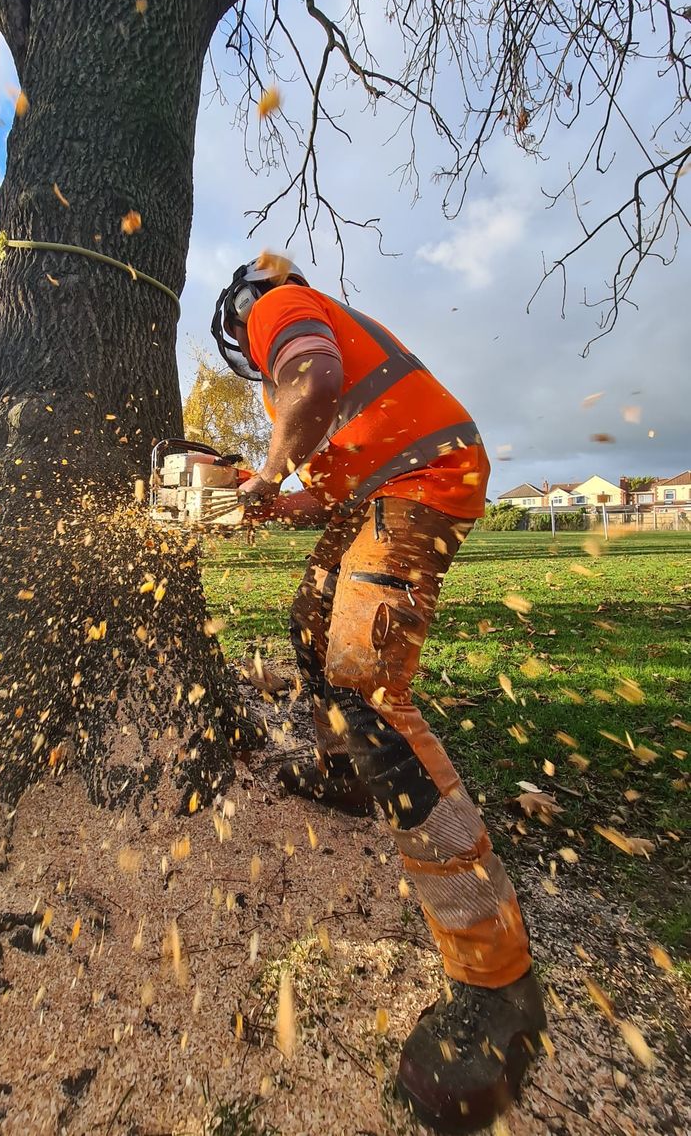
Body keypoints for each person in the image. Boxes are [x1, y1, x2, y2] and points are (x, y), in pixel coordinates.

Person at [210, 257, 546, 1134]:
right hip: (382, 487)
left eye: (259, 369)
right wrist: (261, 499)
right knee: (308, 634)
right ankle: (354, 777)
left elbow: (309, 381)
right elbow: (321, 481)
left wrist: (270, 468)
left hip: (417, 483)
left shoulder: (279, 308)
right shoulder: (340, 386)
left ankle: (497, 983)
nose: (264, 376)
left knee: (365, 690)